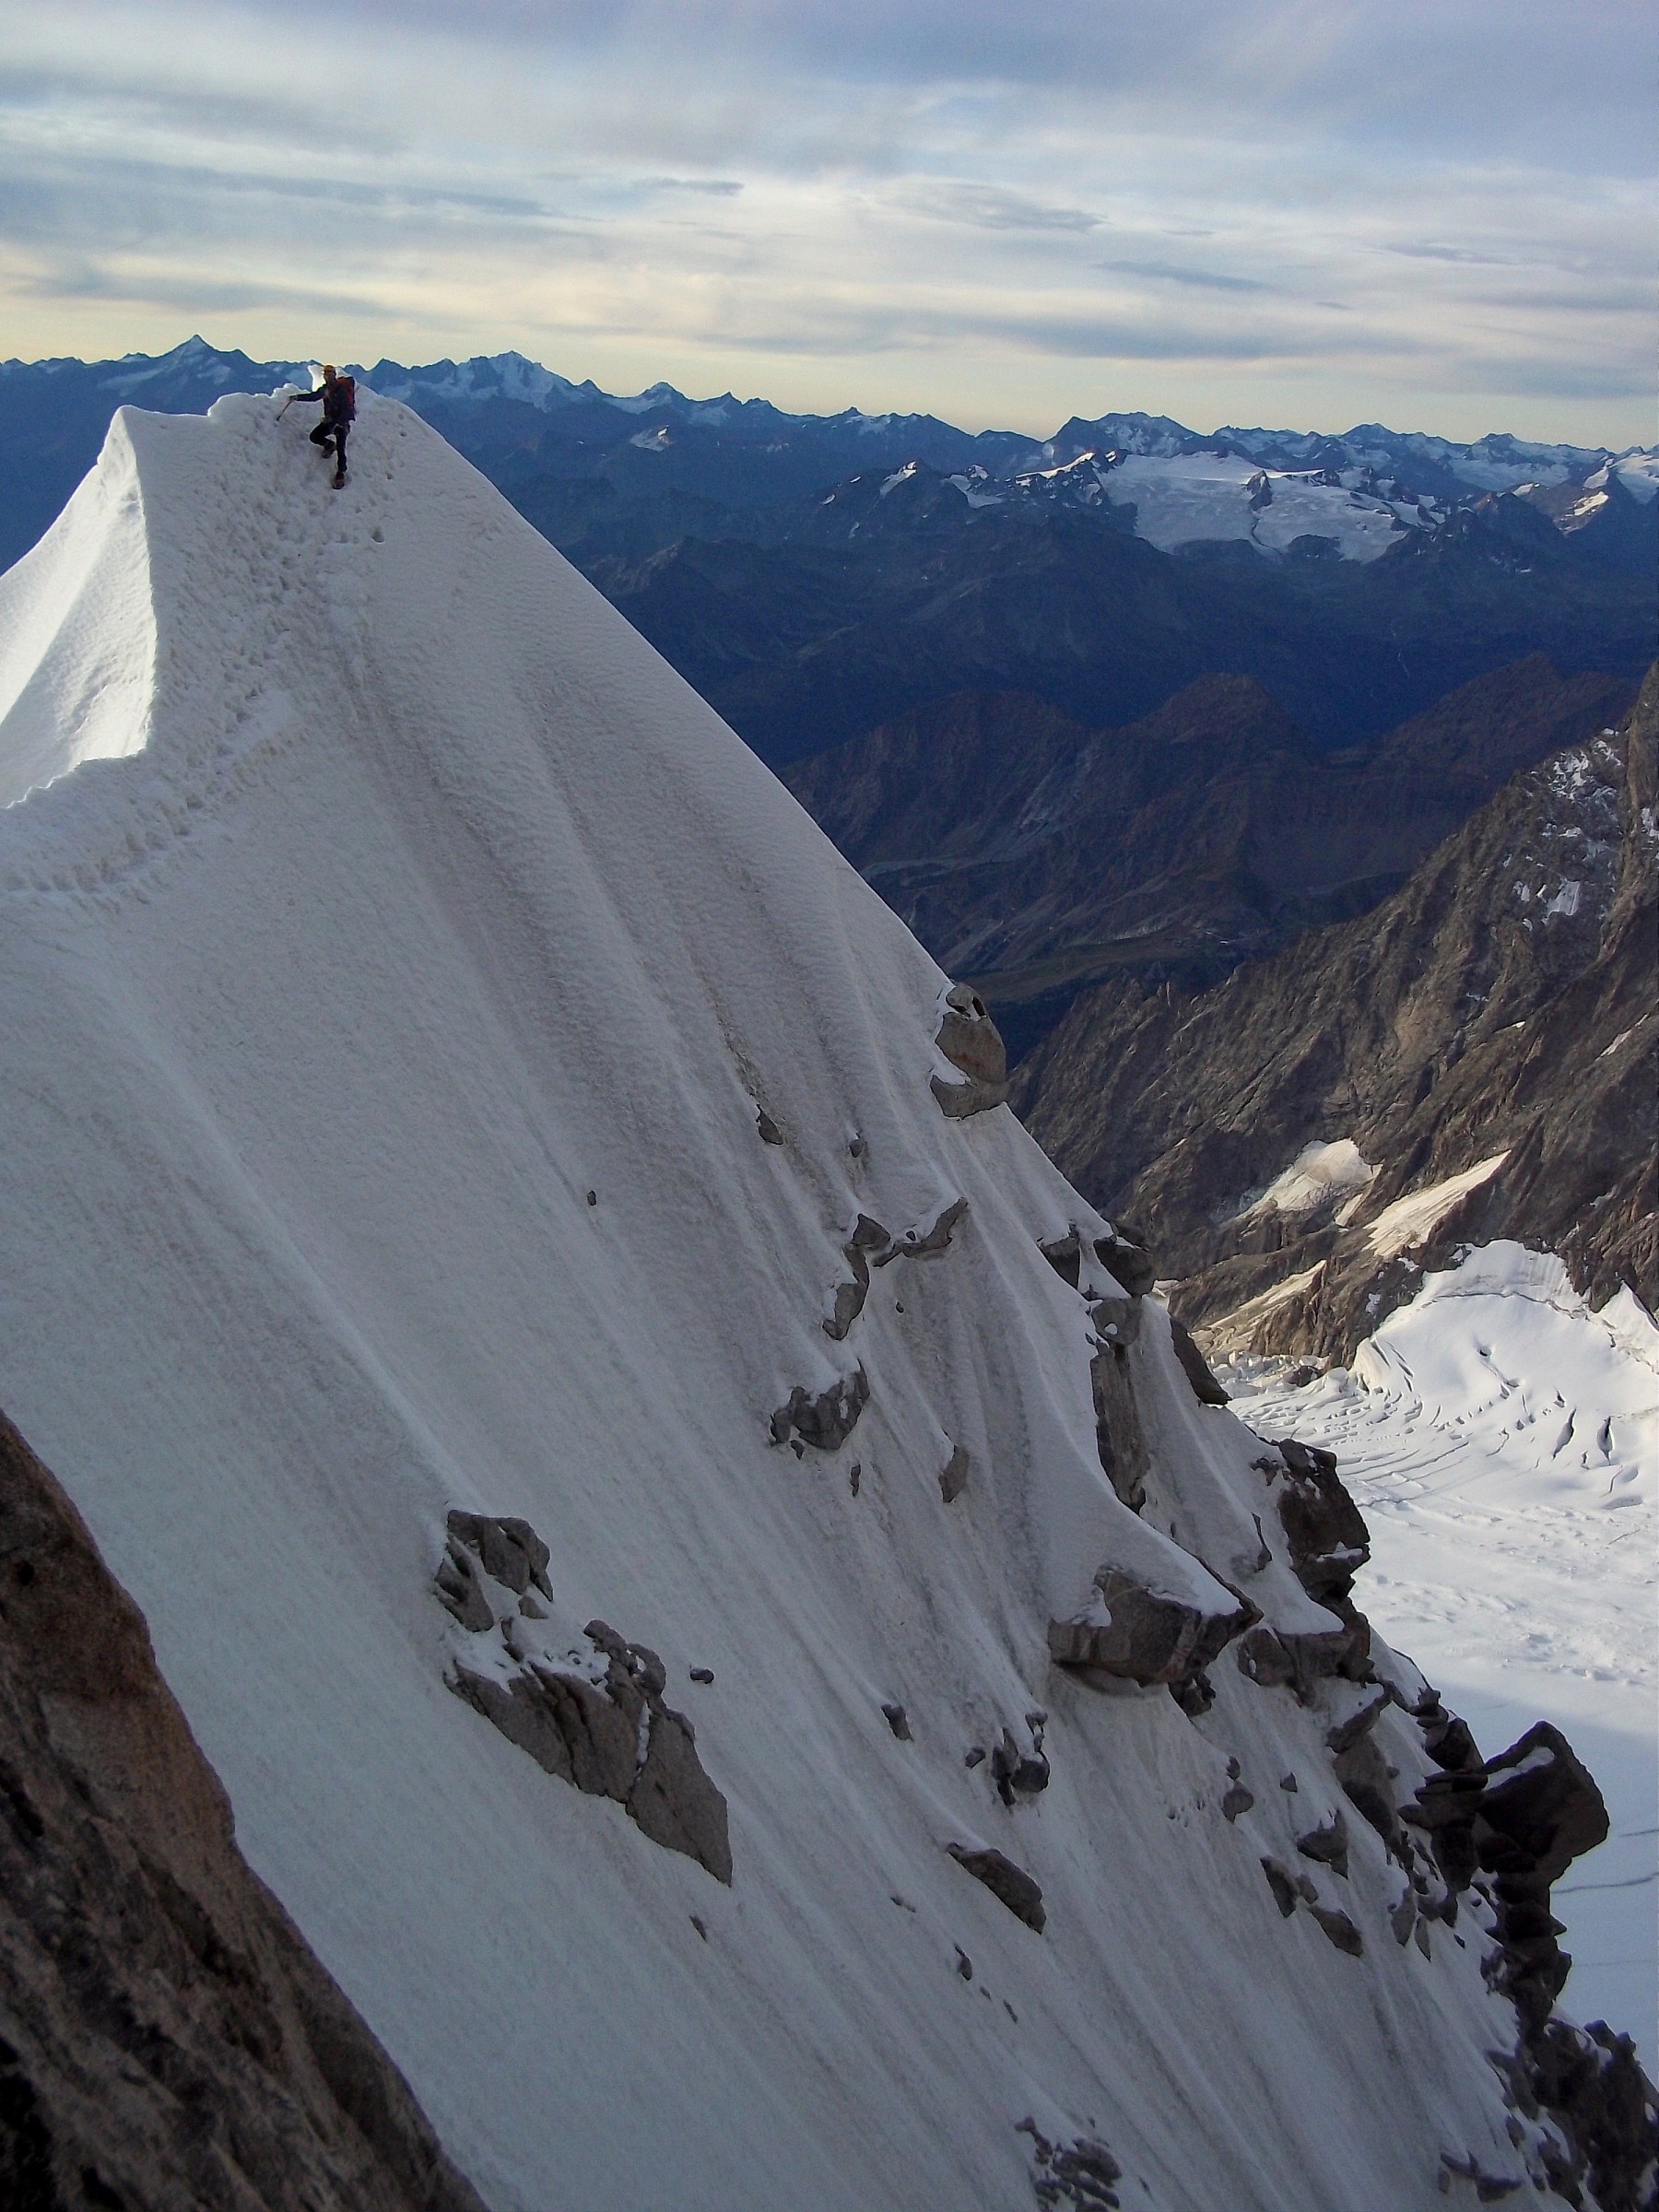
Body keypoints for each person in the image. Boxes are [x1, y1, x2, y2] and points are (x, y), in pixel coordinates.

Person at [284, 364, 356, 487]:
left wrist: (337, 422)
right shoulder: (326, 389)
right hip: (331, 421)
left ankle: (341, 473)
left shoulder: (340, 390)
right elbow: (314, 396)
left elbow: (346, 410)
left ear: (333, 375)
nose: (327, 376)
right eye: (325, 374)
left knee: (341, 449)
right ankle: (329, 445)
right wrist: (297, 397)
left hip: (340, 423)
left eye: (329, 374)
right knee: (314, 436)